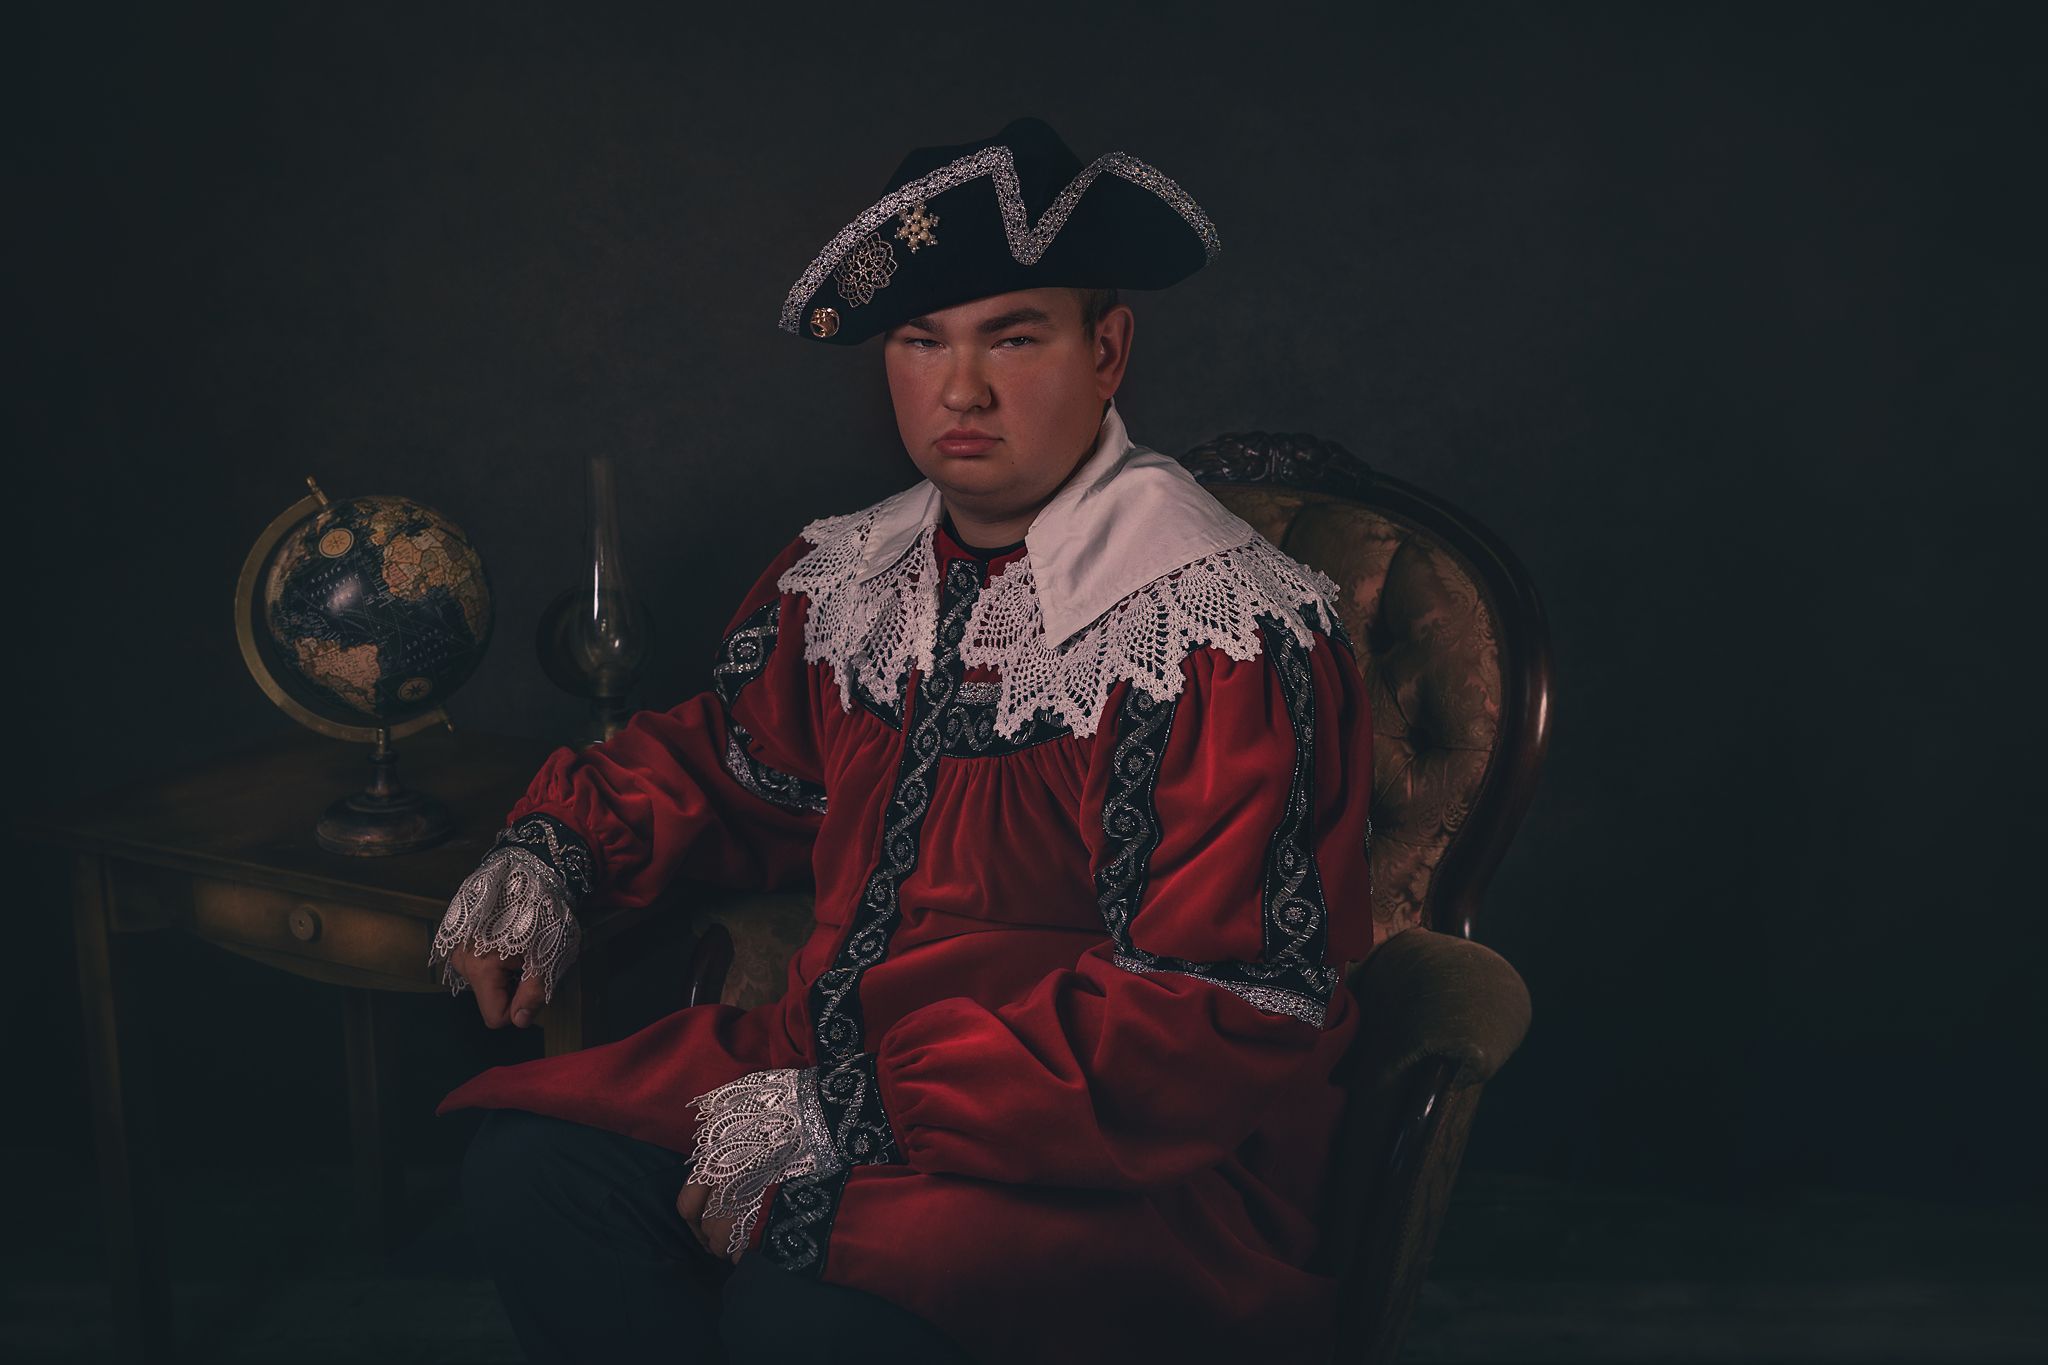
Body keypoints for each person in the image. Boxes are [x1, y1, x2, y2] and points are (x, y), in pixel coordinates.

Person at [429, 116, 1379, 1365]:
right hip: (816, 1065)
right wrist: (555, 852)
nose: (959, 391)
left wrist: (859, 1110)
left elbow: (1212, 1011)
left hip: (1113, 1156)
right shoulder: (853, 580)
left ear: (1107, 350)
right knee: (535, 1173)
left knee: (809, 1290)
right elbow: (738, 766)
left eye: (1012, 338)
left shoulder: (1213, 635)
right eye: (921, 341)